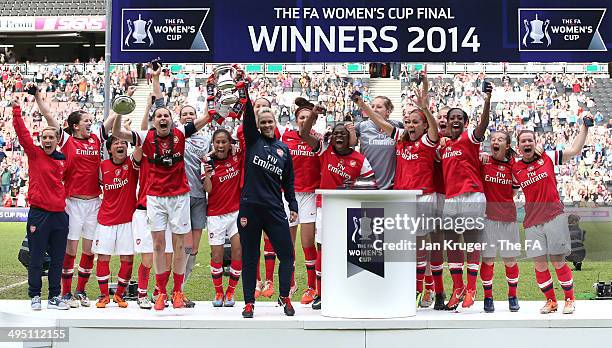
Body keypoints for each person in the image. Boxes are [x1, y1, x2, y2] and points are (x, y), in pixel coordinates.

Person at [112, 70, 210, 311]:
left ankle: (177, 292)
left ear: (171, 120)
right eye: (159, 116)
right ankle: (161, 292)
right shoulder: (145, 137)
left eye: (166, 115)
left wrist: (215, 96)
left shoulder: (180, 133)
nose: (163, 118)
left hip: (179, 197)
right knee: (157, 246)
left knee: (178, 246)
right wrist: (119, 112)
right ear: (154, 121)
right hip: (155, 198)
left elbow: (206, 118)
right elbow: (118, 133)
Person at [355, 67, 439, 306]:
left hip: (423, 198)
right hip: (400, 198)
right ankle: (414, 288)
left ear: (423, 126)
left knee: (421, 248)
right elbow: (379, 122)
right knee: (403, 248)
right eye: (409, 122)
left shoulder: (427, 141)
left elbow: (433, 128)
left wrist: (424, 106)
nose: (411, 126)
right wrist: (363, 105)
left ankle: (422, 290)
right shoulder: (400, 139)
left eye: (416, 123)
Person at [35, 85, 121, 308]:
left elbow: (111, 120)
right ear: (75, 125)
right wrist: (37, 97)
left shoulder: (95, 139)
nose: (89, 123)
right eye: (86, 120)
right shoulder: (66, 140)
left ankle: (81, 291)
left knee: (89, 250)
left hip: (94, 202)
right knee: (70, 250)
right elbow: (49, 116)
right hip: (72, 203)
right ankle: (65, 293)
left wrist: (124, 102)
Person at [299, 100, 374, 311]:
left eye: (343, 134)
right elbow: (304, 134)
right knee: (324, 249)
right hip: (325, 208)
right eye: (336, 134)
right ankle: (321, 293)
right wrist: (313, 114)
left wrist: (356, 186)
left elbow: (372, 184)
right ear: (331, 138)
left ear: (350, 139)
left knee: (351, 251)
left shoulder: (360, 159)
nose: (339, 136)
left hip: (351, 211)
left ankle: (351, 292)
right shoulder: (324, 152)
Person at [513, 117, 591, 314]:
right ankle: (551, 301)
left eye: (530, 140)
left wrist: (584, 127)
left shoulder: (547, 157)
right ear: (518, 146)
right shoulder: (515, 168)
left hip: (554, 217)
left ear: (535, 142)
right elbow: (511, 191)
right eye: (523, 141)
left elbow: (574, 150)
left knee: (558, 260)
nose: (527, 143)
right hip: (532, 222)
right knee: (539, 265)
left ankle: (569, 300)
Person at [239, 90, 298, 318]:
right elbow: (247, 118)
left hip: (274, 208)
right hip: (250, 207)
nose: (266, 124)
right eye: (262, 121)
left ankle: (284, 296)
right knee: (250, 257)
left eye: (269, 121)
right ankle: (248, 302)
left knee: (288, 255)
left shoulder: (284, 150)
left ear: (275, 123)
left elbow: (289, 181)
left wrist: (292, 205)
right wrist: (244, 91)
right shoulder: (253, 140)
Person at [12, 97, 69, 311]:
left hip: (60, 216)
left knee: (57, 259)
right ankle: (34, 295)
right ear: (40, 139)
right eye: (44, 137)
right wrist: (17, 110)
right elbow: (22, 134)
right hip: (39, 215)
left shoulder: (62, 158)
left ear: (56, 140)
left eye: (50, 137)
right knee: (36, 257)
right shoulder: (34, 154)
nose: (47, 140)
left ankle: (54, 296)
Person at [439, 82, 492, 310]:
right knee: (452, 244)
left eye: (460, 117)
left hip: (472, 195)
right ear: (448, 122)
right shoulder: (442, 146)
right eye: (453, 117)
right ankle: (458, 287)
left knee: (471, 244)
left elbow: (483, 125)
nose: (456, 120)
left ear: (465, 122)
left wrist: (487, 101)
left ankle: (471, 289)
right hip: (451, 198)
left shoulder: (470, 138)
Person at [93, 135, 142, 308]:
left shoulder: (132, 163)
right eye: (116, 143)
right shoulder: (102, 166)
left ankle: (120, 295)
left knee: (127, 259)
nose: (120, 145)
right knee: (103, 258)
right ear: (109, 149)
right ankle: (104, 296)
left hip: (128, 220)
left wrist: (128, 131)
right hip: (106, 220)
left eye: (123, 143)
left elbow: (139, 145)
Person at [281, 98, 321, 305]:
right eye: (301, 117)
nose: (305, 120)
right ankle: (290, 282)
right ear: (296, 120)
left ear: (313, 120)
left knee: (307, 243)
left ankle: (311, 286)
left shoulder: (319, 139)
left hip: (310, 194)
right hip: (289, 195)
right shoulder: (285, 137)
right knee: (288, 243)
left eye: (308, 117)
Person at [479, 131, 521, 313]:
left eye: (500, 139)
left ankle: (512, 296)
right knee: (487, 260)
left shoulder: (514, 166)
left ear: (508, 145)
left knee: (509, 260)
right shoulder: (484, 161)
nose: (495, 141)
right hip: (487, 219)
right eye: (493, 139)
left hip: (507, 218)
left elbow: (513, 193)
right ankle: (488, 298)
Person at [202, 129, 243, 307]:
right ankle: (218, 292)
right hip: (215, 215)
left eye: (223, 142)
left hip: (236, 213)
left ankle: (231, 292)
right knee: (217, 256)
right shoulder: (207, 163)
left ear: (229, 143)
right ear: (213, 144)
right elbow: (208, 190)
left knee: (238, 252)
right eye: (217, 142)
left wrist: (235, 147)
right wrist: (208, 172)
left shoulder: (236, 157)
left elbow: (244, 140)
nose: (220, 145)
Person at [180, 104, 210, 308]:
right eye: (184, 114)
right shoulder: (176, 136)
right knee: (181, 247)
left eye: (192, 113)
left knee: (194, 249)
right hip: (180, 197)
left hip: (200, 197)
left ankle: (179, 290)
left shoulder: (206, 140)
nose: (188, 116)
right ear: (179, 118)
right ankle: (171, 290)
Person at [353, 96, 401, 189]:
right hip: (367, 185)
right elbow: (350, 142)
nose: (374, 109)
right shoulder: (361, 126)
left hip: (391, 187)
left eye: (379, 107)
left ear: (388, 111)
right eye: (372, 106)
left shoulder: (398, 126)